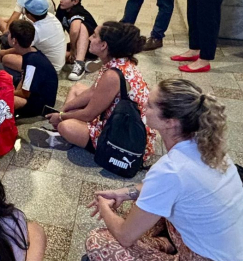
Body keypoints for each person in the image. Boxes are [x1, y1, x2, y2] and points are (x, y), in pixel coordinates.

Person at [82, 79, 243, 261]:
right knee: (151, 211)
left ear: (171, 122)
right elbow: (168, 189)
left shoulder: (171, 170)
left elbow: (124, 235)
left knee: (98, 242)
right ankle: (162, 245)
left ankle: (158, 247)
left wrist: (103, 204)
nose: (144, 105)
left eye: (151, 105)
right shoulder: (211, 150)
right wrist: (126, 192)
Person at [28, 22, 157, 164]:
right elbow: (93, 91)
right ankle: (64, 136)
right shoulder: (118, 61)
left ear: (104, 45)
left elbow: (89, 114)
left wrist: (61, 118)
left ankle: (64, 135)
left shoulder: (112, 75)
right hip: (119, 118)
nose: (89, 38)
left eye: (94, 36)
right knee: (77, 88)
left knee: (66, 126)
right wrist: (64, 111)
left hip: (123, 136)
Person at [0, 0, 66, 79]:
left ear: (28, 14)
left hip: (50, 68)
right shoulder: (50, 16)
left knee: (7, 58)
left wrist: (4, 53)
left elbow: (22, 47)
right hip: (53, 61)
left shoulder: (36, 30)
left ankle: (20, 77)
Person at [6, 20, 59, 120]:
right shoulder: (33, 52)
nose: (7, 35)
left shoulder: (31, 63)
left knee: (4, 98)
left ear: (14, 41)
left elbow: (25, 93)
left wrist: (9, 92)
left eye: (9, 33)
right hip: (37, 92)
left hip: (40, 104)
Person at [55, 0, 99, 81]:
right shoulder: (62, 8)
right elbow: (58, 28)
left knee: (82, 27)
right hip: (78, 46)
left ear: (75, 1)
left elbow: (74, 31)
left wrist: (73, 49)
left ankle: (79, 63)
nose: (61, 0)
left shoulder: (78, 11)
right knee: (56, 57)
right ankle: (88, 62)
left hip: (93, 47)